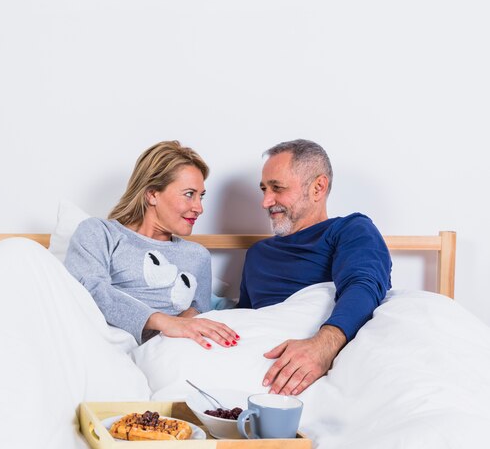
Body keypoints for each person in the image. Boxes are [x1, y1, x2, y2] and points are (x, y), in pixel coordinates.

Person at [237, 139, 391, 396]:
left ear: (318, 187)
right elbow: (244, 320)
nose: (266, 201)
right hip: (266, 368)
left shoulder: (350, 229)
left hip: (330, 358)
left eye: (277, 188)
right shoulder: (257, 255)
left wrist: (322, 346)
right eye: (264, 189)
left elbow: (364, 285)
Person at [65, 140, 239, 350]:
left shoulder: (197, 255)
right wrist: (163, 322)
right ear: (152, 194)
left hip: (164, 353)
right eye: (189, 194)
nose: (199, 208)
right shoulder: (100, 232)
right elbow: (89, 289)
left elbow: (197, 314)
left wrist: (172, 333)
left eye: (200, 196)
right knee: (23, 250)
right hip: (102, 343)